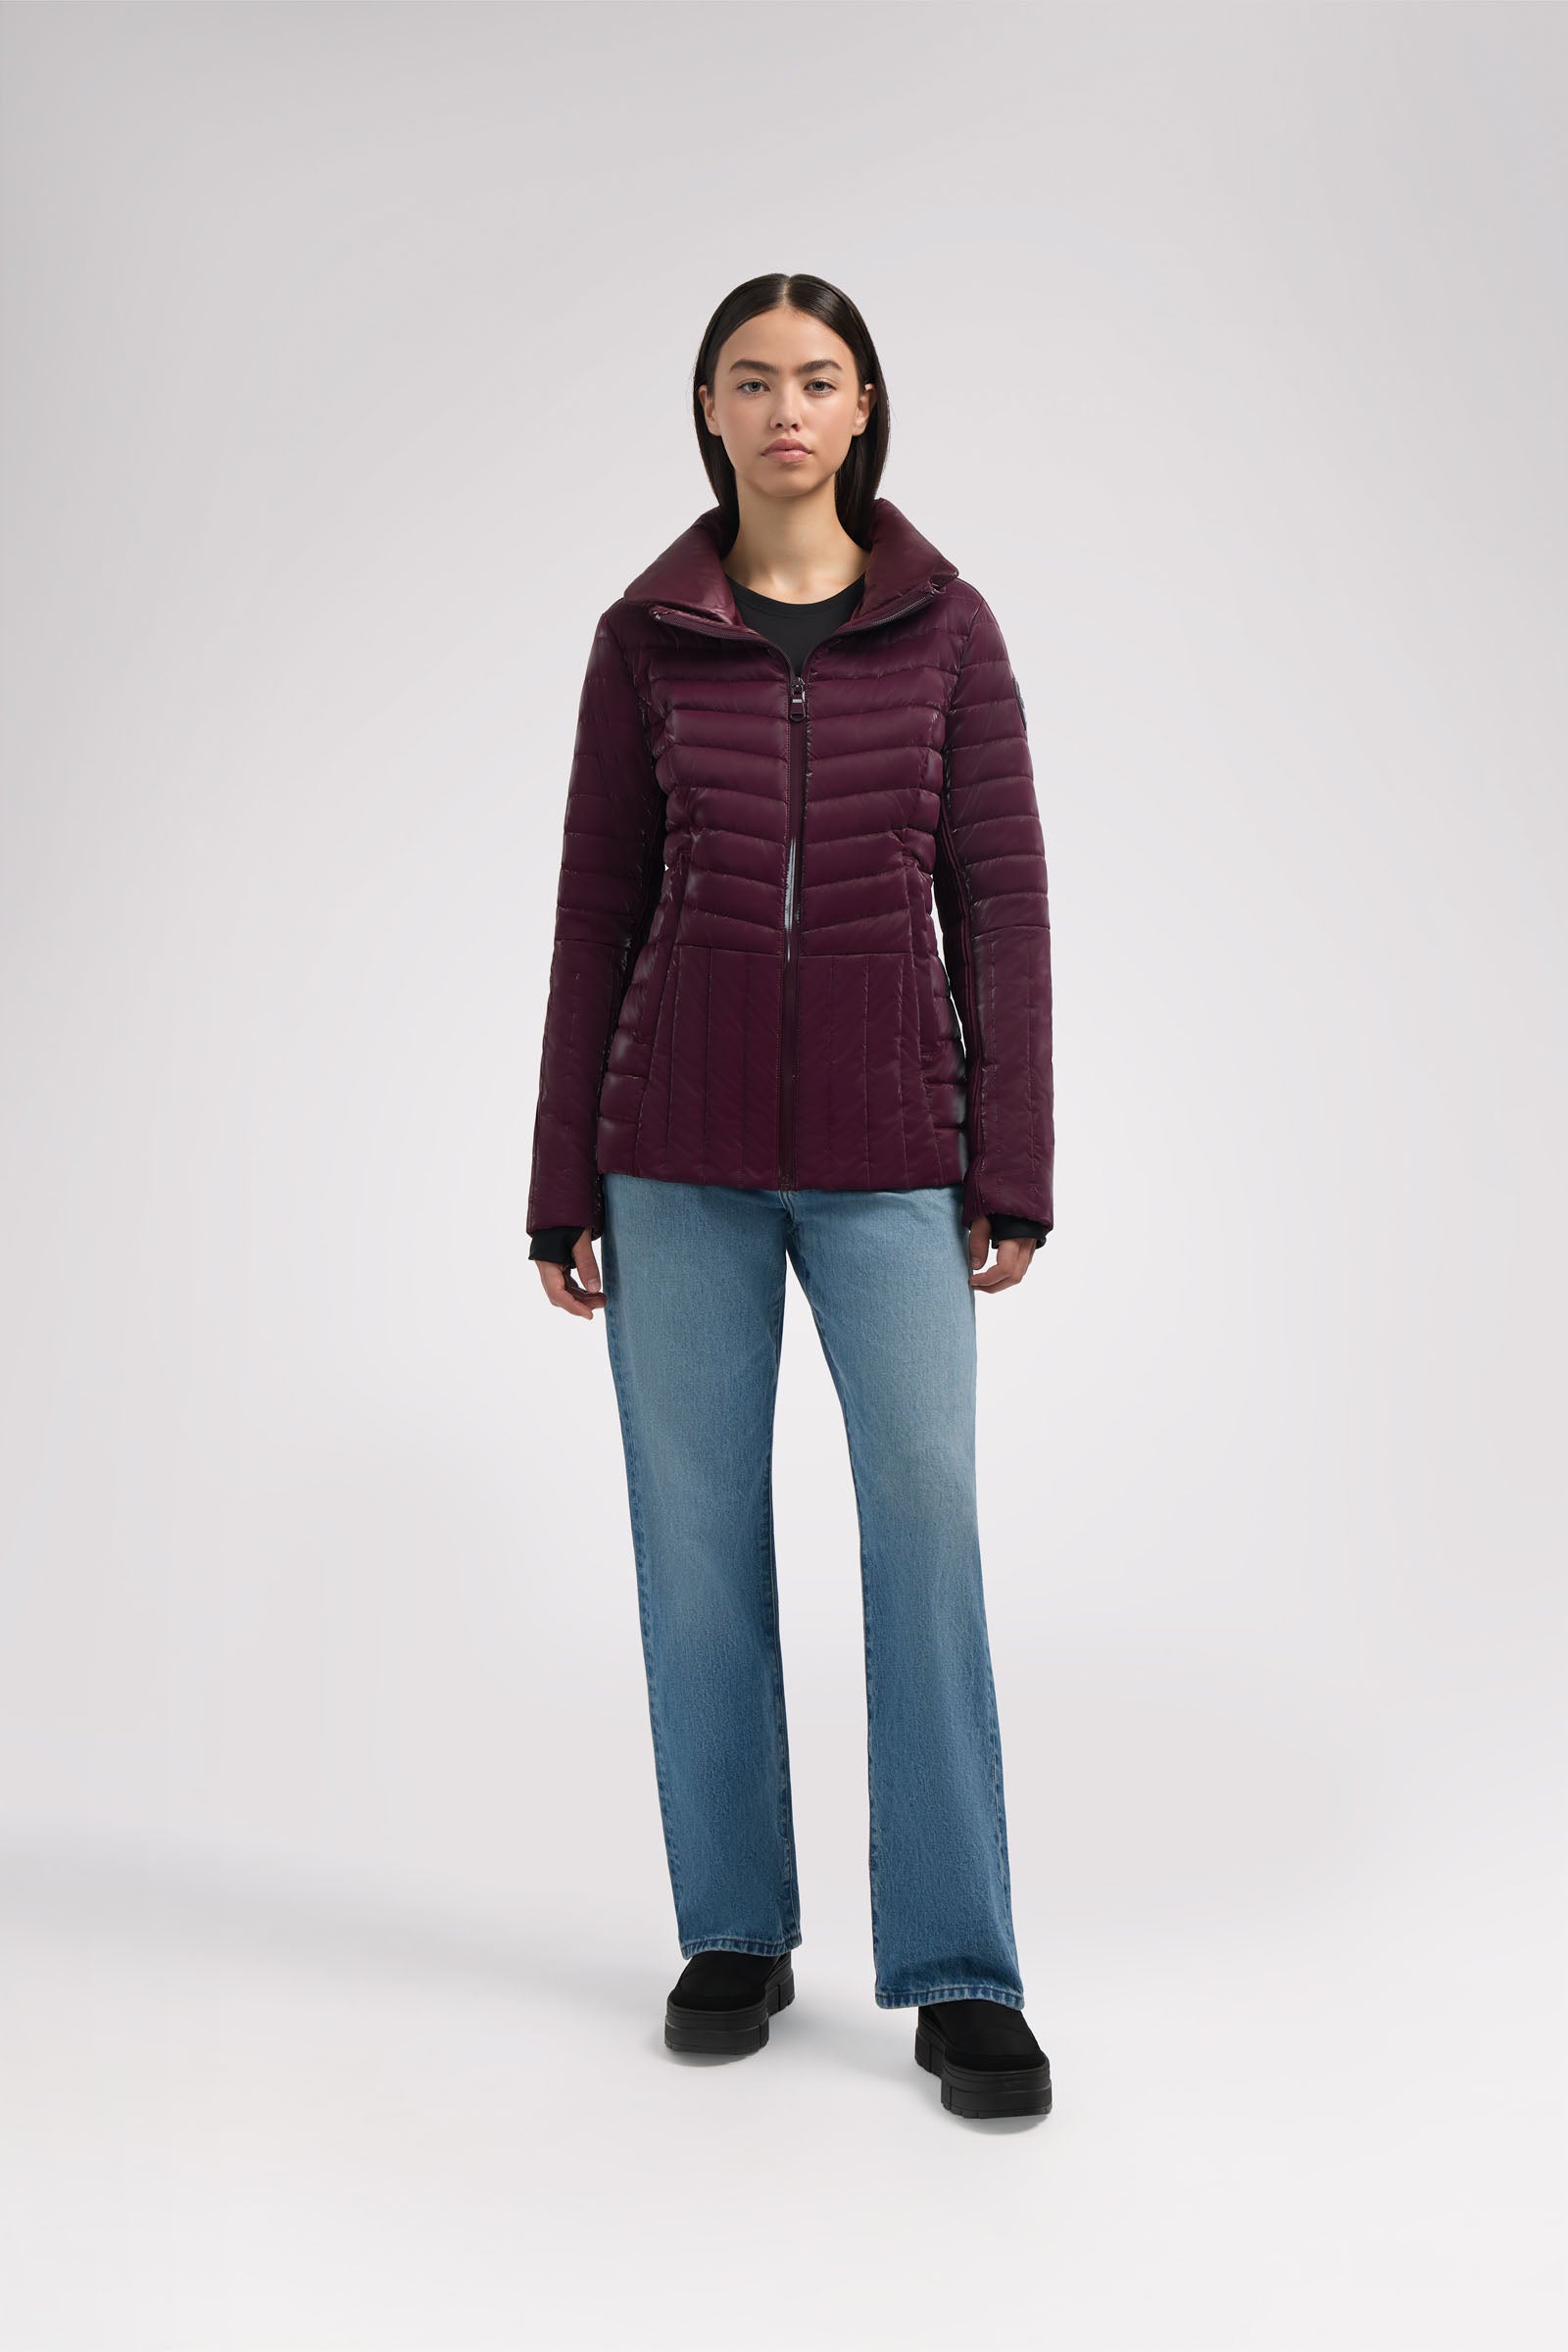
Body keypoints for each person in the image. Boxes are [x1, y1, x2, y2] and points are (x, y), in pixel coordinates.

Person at [525, 272, 1054, 2123]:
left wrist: (1012, 1161)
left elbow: (1002, 902)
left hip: (893, 1155)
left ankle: (963, 1969)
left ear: (864, 405)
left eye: (816, 379)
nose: (785, 410)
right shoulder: (645, 639)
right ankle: (734, 1930)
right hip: (670, 1157)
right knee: (694, 1538)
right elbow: (596, 907)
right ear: (708, 409)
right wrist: (560, 1179)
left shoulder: (948, 630)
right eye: (750, 380)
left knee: (926, 1523)